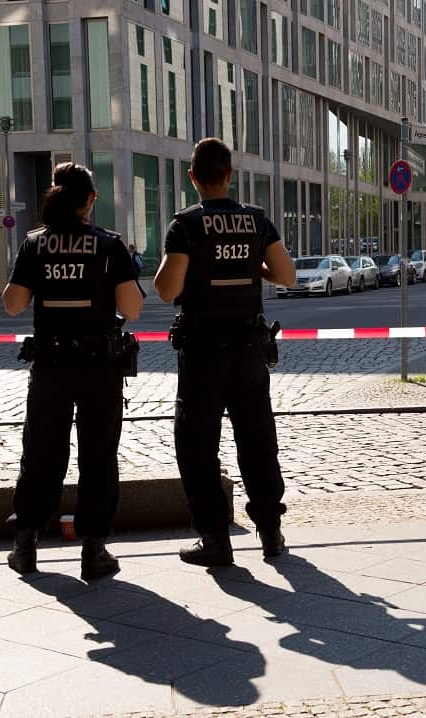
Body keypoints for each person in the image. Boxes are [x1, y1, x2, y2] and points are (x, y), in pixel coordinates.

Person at [154, 138, 296, 567]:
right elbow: (287, 275)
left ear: (193, 176)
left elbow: (167, 290)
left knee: (197, 445)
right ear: (230, 175)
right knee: (257, 439)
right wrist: (255, 266)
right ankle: (270, 530)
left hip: (203, 353)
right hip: (250, 350)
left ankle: (216, 539)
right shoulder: (256, 221)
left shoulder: (186, 225)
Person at [2, 162, 143, 581]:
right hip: (99, 368)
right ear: (90, 200)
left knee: (42, 454)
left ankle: (25, 544)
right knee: (98, 456)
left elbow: (12, 304)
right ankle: (94, 551)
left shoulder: (35, 245)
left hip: (50, 367)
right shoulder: (108, 245)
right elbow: (132, 309)